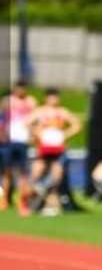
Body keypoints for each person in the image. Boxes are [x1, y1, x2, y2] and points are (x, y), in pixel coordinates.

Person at [27, 89, 81, 215]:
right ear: (46, 98)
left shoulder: (62, 112)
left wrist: (65, 134)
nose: (54, 100)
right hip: (43, 148)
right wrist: (38, 133)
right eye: (51, 97)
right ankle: (30, 200)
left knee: (56, 176)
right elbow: (27, 123)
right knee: (36, 173)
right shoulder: (40, 112)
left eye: (56, 97)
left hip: (58, 149)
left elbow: (77, 125)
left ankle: (50, 204)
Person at [1, 81, 37, 215]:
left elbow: (34, 120)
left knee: (23, 174)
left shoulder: (30, 102)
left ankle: (22, 201)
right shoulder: (8, 101)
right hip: (9, 142)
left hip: (23, 142)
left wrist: (33, 134)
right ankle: (3, 199)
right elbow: (2, 118)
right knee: (6, 172)